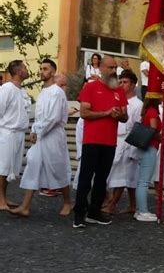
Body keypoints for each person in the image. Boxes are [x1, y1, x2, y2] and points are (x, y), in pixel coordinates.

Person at [10, 59, 71, 218]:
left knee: (58, 168)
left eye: (45, 69)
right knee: (33, 165)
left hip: (53, 136)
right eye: (41, 69)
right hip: (41, 136)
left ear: (52, 71)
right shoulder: (43, 91)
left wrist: (39, 131)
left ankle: (67, 202)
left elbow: (54, 118)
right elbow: (39, 116)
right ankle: (25, 206)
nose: (41, 71)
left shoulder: (57, 92)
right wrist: (34, 129)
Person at [73, 56, 128, 228]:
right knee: (86, 177)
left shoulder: (119, 91)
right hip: (92, 140)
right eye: (110, 68)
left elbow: (125, 117)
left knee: (102, 179)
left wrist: (119, 115)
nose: (113, 71)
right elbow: (84, 113)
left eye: (115, 68)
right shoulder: (90, 87)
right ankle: (79, 213)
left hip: (110, 142)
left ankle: (94, 212)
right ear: (101, 68)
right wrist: (106, 113)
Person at [103, 69, 143, 214]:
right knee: (127, 176)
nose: (122, 85)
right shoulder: (118, 100)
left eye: (125, 82)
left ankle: (112, 204)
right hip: (115, 139)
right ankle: (132, 204)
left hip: (128, 141)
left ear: (133, 85)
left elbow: (138, 125)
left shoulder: (138, 104)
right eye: (120, 82)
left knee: (122, 175)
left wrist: (134, 148)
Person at [0, 60, 30, 211]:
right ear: (19, 72)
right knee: (3, 167)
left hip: (18, 133)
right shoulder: (7, 88)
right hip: (7, 133)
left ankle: (4, 197)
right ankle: (0, 200)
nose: (27, 70)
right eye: (25, 67)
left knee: (9, 168)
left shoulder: (21, 90)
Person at [134, 97, 162, 222]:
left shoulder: (147, 111)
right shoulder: (152, 112)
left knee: (141, 181)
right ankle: (142, 211)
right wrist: (161, 137)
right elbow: (153, 129)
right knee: (144, 182)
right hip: (150, 147)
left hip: (144, 147)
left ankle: (140, 209)